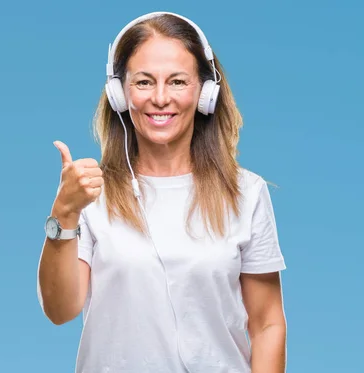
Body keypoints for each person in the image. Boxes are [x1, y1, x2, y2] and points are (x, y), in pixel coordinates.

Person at [37, 11, 287, 373]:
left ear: (205, 91)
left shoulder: (246, 193)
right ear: (118, 93)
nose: (160, 98)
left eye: (177, 81)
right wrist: (64, 213)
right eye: (143, 82)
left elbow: (267, 324)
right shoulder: (90, 195)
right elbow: (60, 311)